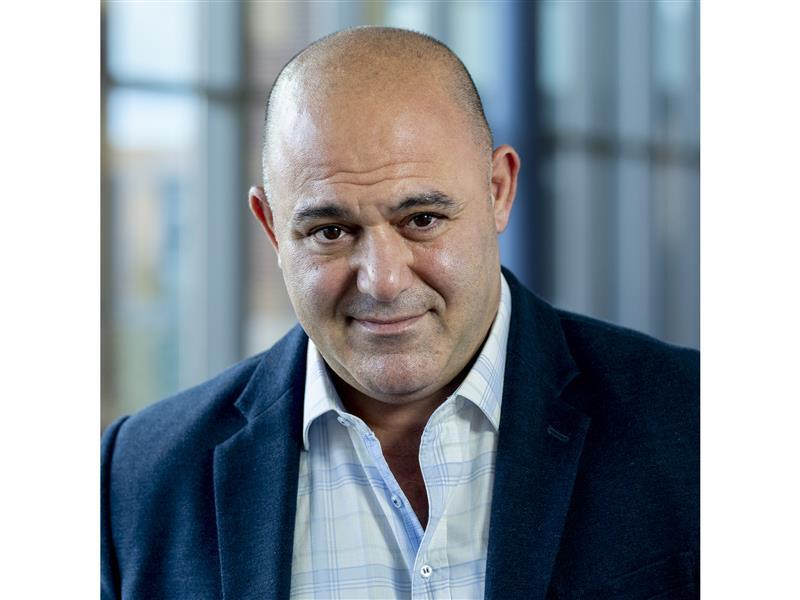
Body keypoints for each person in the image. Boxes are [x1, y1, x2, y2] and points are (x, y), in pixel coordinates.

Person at [102, 27, 699, 600]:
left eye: (422, 220)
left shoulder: (694, 426)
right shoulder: (138, 480)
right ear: (272, 230)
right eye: (330, 231)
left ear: (499, 190)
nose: (383, 282)